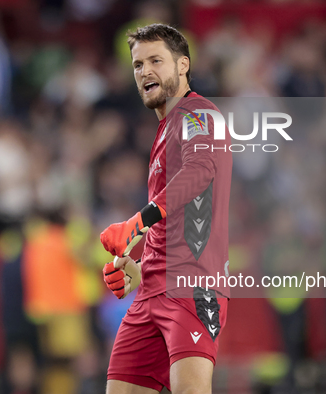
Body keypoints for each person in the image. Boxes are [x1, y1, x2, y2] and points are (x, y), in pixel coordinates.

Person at [99, 24, 232, 393]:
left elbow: (200, 172)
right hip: (150, 294)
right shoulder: (166, 130)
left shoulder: (198, 114)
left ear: (183, 65)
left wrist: (137, 222)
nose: (145, 71)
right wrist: (137, 267)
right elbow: (178, 219)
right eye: (138, 64)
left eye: (156, 60)